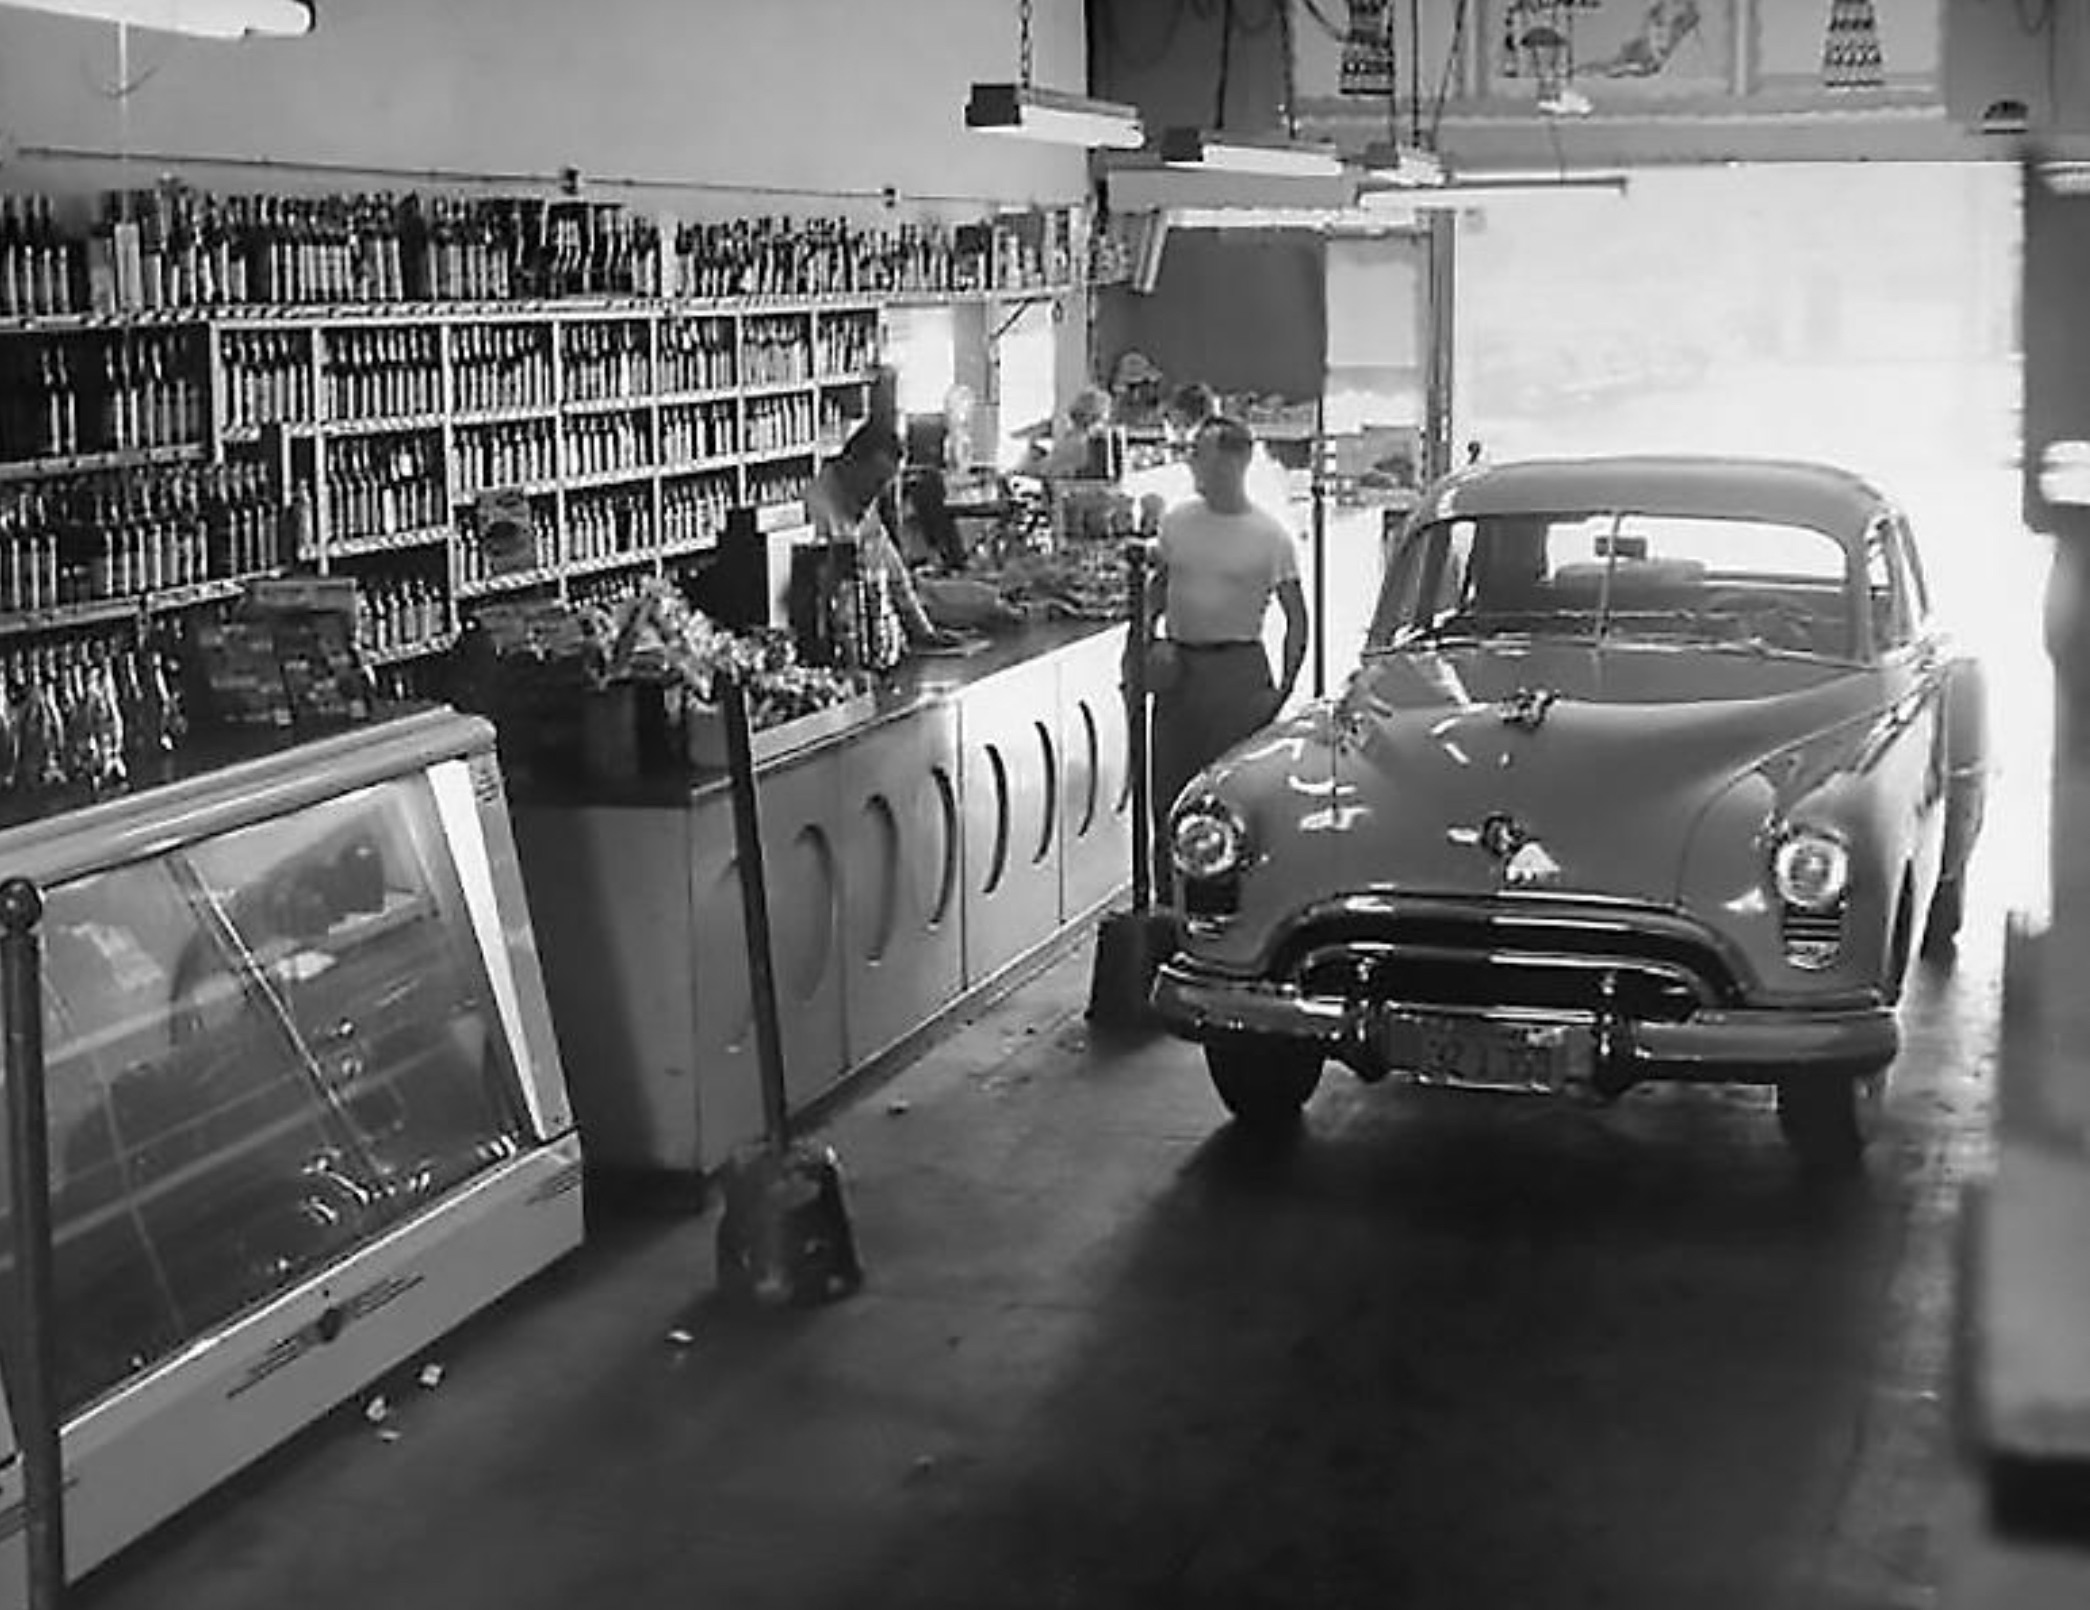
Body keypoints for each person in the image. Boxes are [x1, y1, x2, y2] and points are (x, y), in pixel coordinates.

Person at [1142, 413, 1308, 898]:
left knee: (1233, 799)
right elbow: (1158, 589)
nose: (1193, 464)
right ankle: (1168, 904)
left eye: (1202, 454)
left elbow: (1297, 617)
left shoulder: (1269, 536)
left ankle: (1232, 903)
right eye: (1193, 454)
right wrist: (1146, 642)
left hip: (1238, 673)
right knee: (1169, 795)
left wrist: (1283, 691)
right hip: (1180, 672)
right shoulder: (1177, 522)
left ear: (1236, 461)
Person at [804, 423, 958, 667]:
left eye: (884, 485)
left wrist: (925, 632)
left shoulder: (863, 503)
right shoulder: (814, 505)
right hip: (827, 643)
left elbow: (896, 576)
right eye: (876, 482)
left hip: (865, 639)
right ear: (851, 463)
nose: (878, 493)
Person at [1033, 385, 1116, 479]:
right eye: (1103, 421)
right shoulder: (1083, 446)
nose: (1105, 427)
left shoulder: (1068, 440)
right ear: (1091, 418)